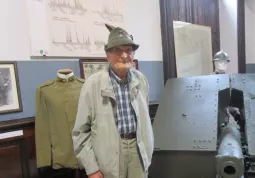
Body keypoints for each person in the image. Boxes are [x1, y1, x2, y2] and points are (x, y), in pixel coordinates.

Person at [72, 24, 154, 178]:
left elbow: (144, 118)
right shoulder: (93, 84)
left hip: (138, 151)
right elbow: (80, 132)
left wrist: (147, 152)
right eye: (118, 50)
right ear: (107, 55)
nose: (124, 56)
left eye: (128, 50)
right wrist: (92, 169)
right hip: (109, 155)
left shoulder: (141, 80)